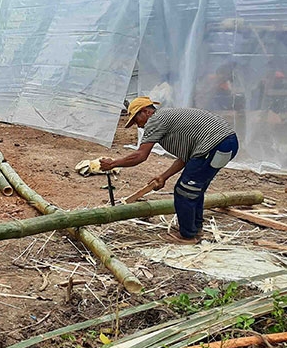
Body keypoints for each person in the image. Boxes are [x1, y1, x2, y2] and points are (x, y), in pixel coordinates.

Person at [100, 97, 238, 244]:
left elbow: (140, 155)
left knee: (184, 191)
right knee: (194, 189)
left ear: (146, 112)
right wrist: (164, 176)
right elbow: (187, 158)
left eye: (136, 120)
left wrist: (114, 163)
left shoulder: (155, 120)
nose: (139, 126)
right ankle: (195, 229)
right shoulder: (168, 119)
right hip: (228, 143)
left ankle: (188, 236)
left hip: (215, 144)